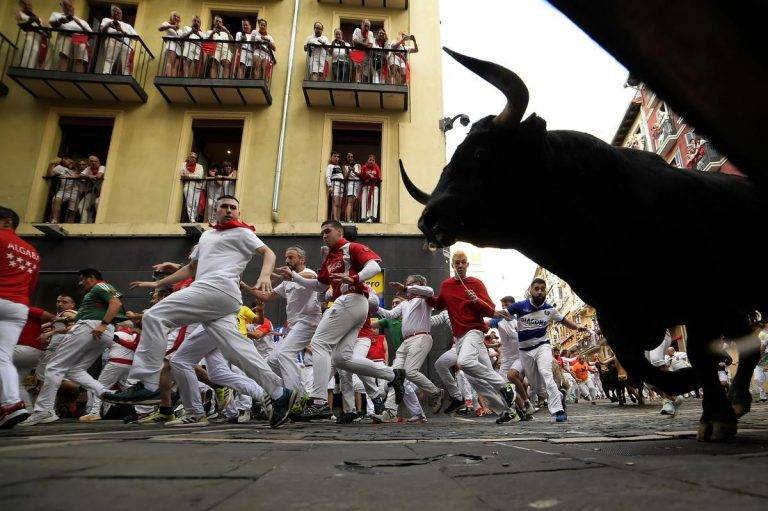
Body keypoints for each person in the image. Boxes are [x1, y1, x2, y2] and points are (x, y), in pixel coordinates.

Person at [106, 196, 297, 429]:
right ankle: (279, 393)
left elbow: (268, 253)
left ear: (238, 212)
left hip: (217, 289)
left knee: (154, 316)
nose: (229, 211)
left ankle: (147, 382)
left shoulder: (242, 232)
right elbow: (191, 268)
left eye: (233, 208)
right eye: (224, 207)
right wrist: (158, 284)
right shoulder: (206, 236)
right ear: (215, 211)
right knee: (237, 352)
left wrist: (265, 275)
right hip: (219, 301)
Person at [275, 219, 405, 420]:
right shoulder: (330, 259)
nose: (324, 235)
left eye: (327, 231)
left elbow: (374, 266)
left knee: (319, 344)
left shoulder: (351, 247)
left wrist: (355, 278)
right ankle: (392, 375)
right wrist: (294, 276)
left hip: (351, 299)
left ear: (339, 231)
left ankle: (318, 402)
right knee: (341, 359)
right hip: (352, 305)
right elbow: (319, 286)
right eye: (322, 233)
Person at [21, 268, 125, 426]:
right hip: (99, 330)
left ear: (91, 278)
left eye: (82, 279)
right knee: (75, 370)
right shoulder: (97, 294)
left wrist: (103, 324)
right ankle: (108, 393)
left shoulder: (100, 286)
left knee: (54, 367)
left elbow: (116, 302)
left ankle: (43, 411)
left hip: (92, 327)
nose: (80, 283)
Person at [427, 251, 518, 424]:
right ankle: (507, 412)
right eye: (456, 263)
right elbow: (439, 303)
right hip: (459, 337)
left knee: (465, 362)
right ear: (452, 265)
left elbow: (490, 309)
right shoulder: (446, 285)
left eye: (463, 262)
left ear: (467, 265)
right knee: (475, 381)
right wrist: (420, 295)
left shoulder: (476, 283)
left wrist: (476, 300)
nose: (460, 265)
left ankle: (504, 385)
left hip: (474, 331)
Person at [505, 278, 588, 422]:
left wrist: (577, 327)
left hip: (542, 346)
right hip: (525, 351)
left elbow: (564, 321)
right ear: (531, 290)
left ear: (545, 292)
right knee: (537, 388)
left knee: (546, 373)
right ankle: (559, 396)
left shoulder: (549, 309)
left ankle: (558, 411)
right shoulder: (519, 306)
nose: (539, 292)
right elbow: (500, 314)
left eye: (542, 289)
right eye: (536, 289)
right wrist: (480, 306)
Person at [244, 246, 322, 395]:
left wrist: (285, 276)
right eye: (286, 257)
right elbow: (266, 296)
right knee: (272, 361)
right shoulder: (287, 281)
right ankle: (302, 394)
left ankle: (295, 397)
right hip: (293, 326)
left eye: (291, 257)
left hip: (308, 322)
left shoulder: (308, 273)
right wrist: (245, 287)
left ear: (302, 260)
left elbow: (311, 278)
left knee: (284, 354)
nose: (287, 260)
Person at [372, 275, 444, 422]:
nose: (407, 286)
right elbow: (391, 315)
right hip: (406, 343)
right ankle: (390, 412)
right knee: (395, 377)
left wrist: (405, 288)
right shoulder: (405, 304)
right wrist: (375, 306)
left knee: (410, 372)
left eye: (410, 284)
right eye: (407, 284)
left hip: (421, 337)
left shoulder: (424, 299)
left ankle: (435, 392)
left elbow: (429, 291)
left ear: (419, 284)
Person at [0, 206, 41, 428]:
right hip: (18, 306)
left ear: (6, 221)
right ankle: (11, 404)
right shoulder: (32, 251)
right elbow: (31, 286)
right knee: (3, 357)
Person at [488, 295, 534, 417]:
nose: (504, 308)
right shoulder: (498, 321)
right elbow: (486, 323)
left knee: (512, 376)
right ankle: (522, 410)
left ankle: (527, 402)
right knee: (503, 387)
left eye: (507, 305)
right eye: (502, 306)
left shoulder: (521, 320)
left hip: (520, 356)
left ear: (513, 306)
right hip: (506, 359)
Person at [13, 306, 54, 410]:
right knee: (16, 383)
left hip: (25, 349)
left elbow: (53, 317)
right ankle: (29, 411)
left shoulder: (27, 309)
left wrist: (49, 331)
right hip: (31, 353)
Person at [49, 0, 91, 73]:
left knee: (80, 60)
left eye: (70, 6)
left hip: (80, 38)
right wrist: (60, 21)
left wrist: (79, 24)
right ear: (62, 6)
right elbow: (52, 24)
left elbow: (91, 34)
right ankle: (61, 74)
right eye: (65, 5)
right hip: (66, 36)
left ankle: (78, 77)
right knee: (64, 55)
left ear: (73, 8)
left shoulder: (82, 21)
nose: (68, 8)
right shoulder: (57, 15)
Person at [99, 5, 137, 75]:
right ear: (112, 13)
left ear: (121, 14)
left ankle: (126, 76)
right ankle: (106, 74)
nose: (117, 13)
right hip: (113, 40)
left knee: (126, 63)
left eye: (119, 12)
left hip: (126, 44)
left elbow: (136, 38)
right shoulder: (106, 20)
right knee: (109, 59)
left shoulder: (127, 25)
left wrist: (122, 31)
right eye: (115, 11)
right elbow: (102, 31)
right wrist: (108, 25)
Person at [47, 156, 80, 223]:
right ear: (64, 160)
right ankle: (54, 220)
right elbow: (50, 175)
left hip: (75, 192)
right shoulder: (60, 168)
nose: (71, 163)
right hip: (63, 190)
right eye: (69, 161)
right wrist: (51, 164)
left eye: (72, 162)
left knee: (72, 211)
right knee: (56, 199)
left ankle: (68, 224)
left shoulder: (77, 169)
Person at [16, 1, 45, 69]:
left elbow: (42, 25)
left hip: (39, 35)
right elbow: (20, 23)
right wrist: (31, 21)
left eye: (30, 5)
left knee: (38, 52)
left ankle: (34, 68)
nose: (29, 6)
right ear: (23, 5)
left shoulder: (34, 15)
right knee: (32, 49)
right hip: (29, 33)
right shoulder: (20, 13)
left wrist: (38, 22)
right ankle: (26, 67)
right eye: (27, 5)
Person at [78, 155, 105, 224]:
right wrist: (88, 176)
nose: (94, 163)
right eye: (92, 161)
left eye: (96, 161)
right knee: (81, 206)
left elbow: (99, 176)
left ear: (99, 162)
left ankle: (98, 223)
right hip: (96, 192)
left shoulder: (102, 167)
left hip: (105, 192)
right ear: (89, 162)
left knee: (97, 203)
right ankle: (84, 223)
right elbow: (80, 176)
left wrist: (90, 177)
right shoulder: (88, 169)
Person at [181, 152, 204, 222]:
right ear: (188, 157)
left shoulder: (200, 166)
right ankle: (192, 219)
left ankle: (195, 218)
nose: (193, 159)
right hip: (188, 186)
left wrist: (188, 176)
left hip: (198, 187)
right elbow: (182, 174)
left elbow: (199, 176)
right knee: (189, 203)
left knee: (196, 205)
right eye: (192, 157)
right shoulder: (183, 165)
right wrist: (194, 176)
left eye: (195, 158)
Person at [158, 11, 182, 77]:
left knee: (175, 66)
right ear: (171, 16)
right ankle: (168, 77)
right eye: (175, 16)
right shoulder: (166, 23)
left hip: (178, 47)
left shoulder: (180, 30)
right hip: (172, 45)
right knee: (170, 62)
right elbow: (160, 29)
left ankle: (172, 78)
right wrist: (171, 26)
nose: (176, 18)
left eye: (178, 17)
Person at [359, 154, 381, 223]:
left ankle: (372, 217)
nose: (371, 161)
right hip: (365, 186)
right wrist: (367, 176)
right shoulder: (364, 167)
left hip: (374, 187)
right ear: (367, 160)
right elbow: (361, 176)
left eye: (373, 160)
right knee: (364, 201)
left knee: (373, 202)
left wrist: (372, 178)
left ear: (375, 161)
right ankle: (365, 217)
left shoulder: (377, 167)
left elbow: (379, 177)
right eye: (370, 160)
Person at [325, 151, 345, 221]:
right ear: (331, 158)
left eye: (338, 157)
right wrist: (330, 186)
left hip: (341, 185)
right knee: (335, 202)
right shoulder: (330, 166)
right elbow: (328, 176)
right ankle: (335, 219)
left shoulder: (338, 167)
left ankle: (338, 219)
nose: (336, 158)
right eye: (335, 156)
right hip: (335, 185)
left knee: (339, 204)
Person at [342, 152, 361, 222]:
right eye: (348, 157)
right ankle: (348, 219)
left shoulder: (358, 165)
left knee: (356, 203)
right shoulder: (344, 166)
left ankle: (355, 220)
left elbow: (360, 175)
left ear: (353, 158)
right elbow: (345, 177)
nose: (350, 158)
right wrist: (349, 171)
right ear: (346, 158)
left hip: (358, 184)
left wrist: (354, 171)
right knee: (350, 202)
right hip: (350, 183)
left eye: (351, 157)